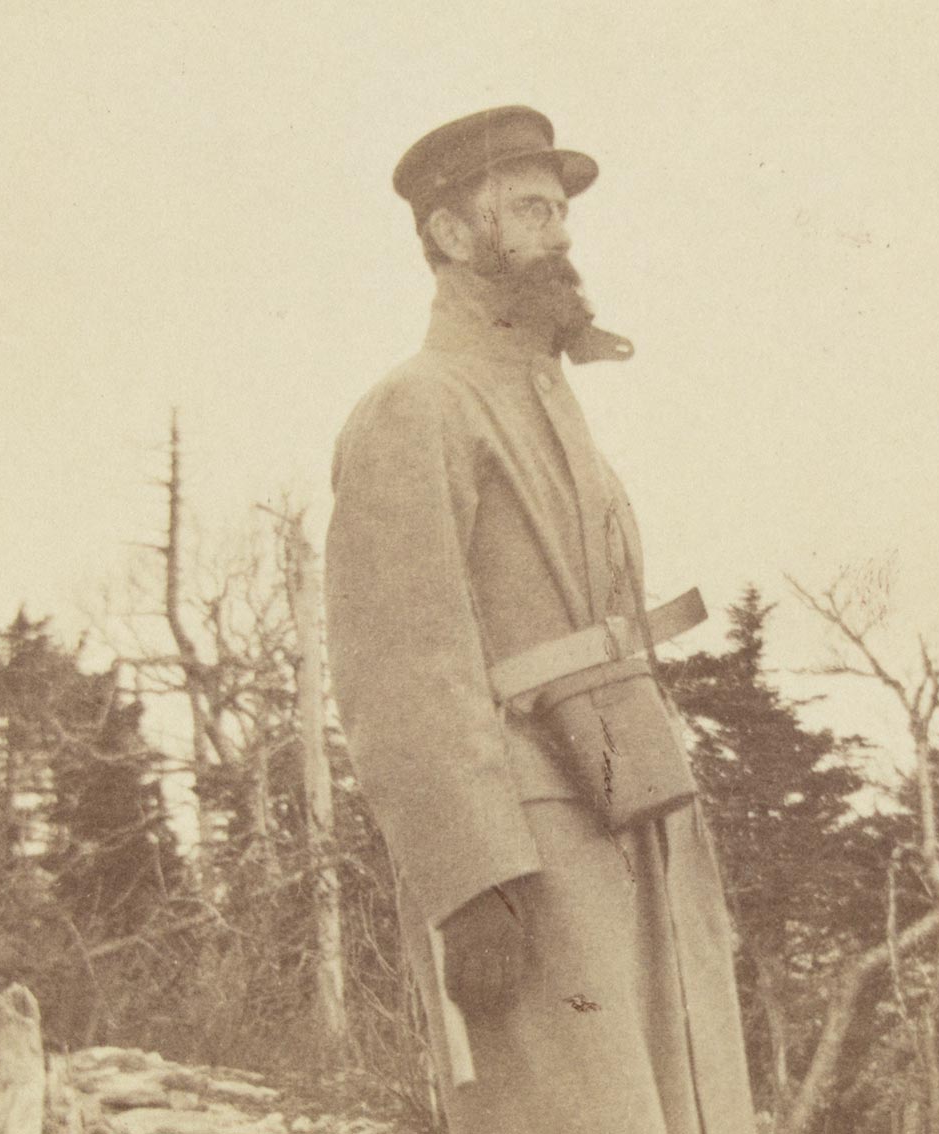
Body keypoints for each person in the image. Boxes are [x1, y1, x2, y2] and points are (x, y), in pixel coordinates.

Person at [325, 106, 756, 1134]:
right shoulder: (417, 407)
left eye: (559, 211)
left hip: (636, 817)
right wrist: (472, 882)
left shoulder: (548, 399)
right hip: (532, 851)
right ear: (450, 236)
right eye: (529, 209)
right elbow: (399, 670)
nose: (560, 234)